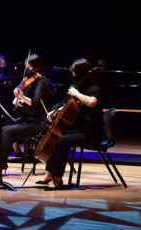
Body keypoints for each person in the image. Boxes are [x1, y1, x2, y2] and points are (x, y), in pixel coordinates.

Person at [41, 58, 103, 188]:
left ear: (81, 73)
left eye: (74, 74)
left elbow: (92, 102)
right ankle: (51, 172)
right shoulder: (82, 87)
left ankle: (57, 178)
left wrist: (77, 94)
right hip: (82, 129)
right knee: (58, 136)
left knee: (63, 141)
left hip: (92, 133)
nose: (73, 76)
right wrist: (56, 110)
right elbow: (70, 104)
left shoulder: (93, 87)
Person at [0, 54, 52, 175]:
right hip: (28, 119)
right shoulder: (31, 81)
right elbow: (28, 104)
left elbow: (36, 103)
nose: (27, 70)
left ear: (36, 67)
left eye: (29, 68)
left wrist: (22, 96)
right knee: (3, 129)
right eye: (26, 67)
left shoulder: (41, 81)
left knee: (7, 131)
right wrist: (20, 102)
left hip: (38, 123)